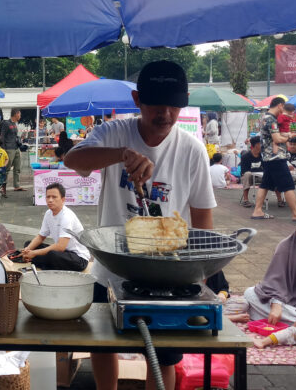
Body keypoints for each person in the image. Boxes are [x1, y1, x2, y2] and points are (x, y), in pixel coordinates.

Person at [65, 60, 216, 390]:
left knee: (162, 355)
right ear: (137, 100)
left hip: (168, 271)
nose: (164, 112)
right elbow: (73, 160)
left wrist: (201, 274)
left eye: (173, 104)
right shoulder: (114, 132)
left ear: (184, 100)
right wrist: (122, 154)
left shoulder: (191, 150)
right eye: (154, 104)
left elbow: (202, 218)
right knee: (101, 343)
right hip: (109, 265)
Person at [250, 97, 296, 221]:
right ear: (280, 105)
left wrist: (286, 135)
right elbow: (277, 139)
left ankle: (258, 210)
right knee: (288, 185)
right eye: (283, 108)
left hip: (268, 157)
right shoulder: (271, 119)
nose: (283, 111)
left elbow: (275, 136)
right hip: (276, 157)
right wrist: (288, 138)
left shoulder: (265, 117)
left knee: (265, 184)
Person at [22, 183, 90, 271]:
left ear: (63, 199)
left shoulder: (66, 216)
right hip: (63, 253)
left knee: (52, 255)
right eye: (48, 197)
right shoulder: (48, 214)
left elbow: (60, 247)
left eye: (54, 197)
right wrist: (28, 250)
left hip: (78, 259)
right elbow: (40, 237)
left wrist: (34, 253)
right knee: (28, 244)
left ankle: (35, 260)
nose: (50, 200)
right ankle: (35, 259)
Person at [0, 109, 24, 191]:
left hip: (16, 148)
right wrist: (3, 150)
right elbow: (2, 136)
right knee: (7, 168)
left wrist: (19, 148)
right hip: (9, 149)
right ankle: (3, 186)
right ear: (16, 114)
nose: (20, 116)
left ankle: (16, 185)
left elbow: (15, 136)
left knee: (17, 168)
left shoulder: (15, 124)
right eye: (19, 114)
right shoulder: (6, 123)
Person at [239, 136, 263, 207]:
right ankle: (245, 200)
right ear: (256, 145)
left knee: (274, 173)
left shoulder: (263, 155)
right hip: (249, 177)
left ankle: (280, 199)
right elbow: (244, 171)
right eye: (261, 143)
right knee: (247, 174)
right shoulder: (245, 156)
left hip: (261, 176)